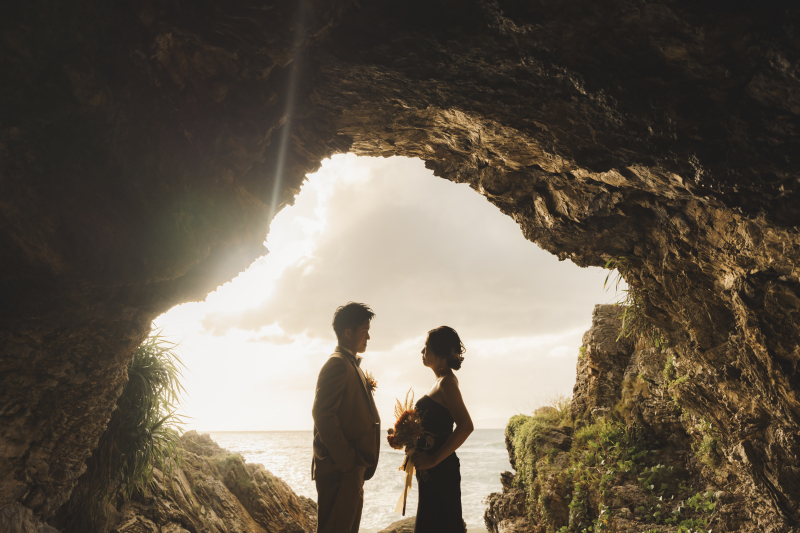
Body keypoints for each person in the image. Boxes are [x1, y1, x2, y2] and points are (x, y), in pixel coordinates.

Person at [311, 302, 381, 533]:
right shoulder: (337, 364)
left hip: (350, 470)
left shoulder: (351, 364)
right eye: (364, 331)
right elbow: (322, 414)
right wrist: (348, 462)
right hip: (340, 471)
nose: (368, 337)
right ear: (348, 332)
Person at [411, 326, 474, 532]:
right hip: (431, 474)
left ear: (441, 355)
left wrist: (433, 460)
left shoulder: (447, 382)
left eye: (427, 347)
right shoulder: (439, 382)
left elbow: (466, 426)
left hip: (441, 472)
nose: (422, 351)